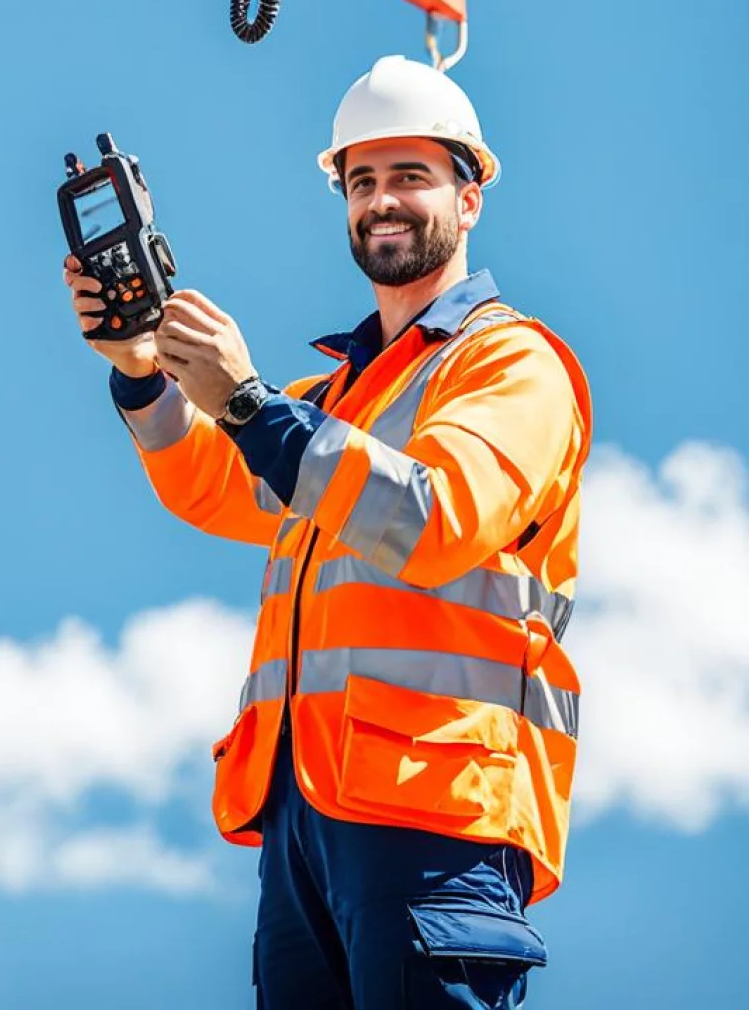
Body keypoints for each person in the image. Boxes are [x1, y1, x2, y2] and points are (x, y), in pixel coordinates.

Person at [64, 55, 591, 1009]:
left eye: (410, 177)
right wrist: (143, 374)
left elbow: (436, 518)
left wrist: (255, 405)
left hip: (436, 816)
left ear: (469, 200)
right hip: (308, 813)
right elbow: (212, 487)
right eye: (362, 183)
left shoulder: (512, 363)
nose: (381, 202)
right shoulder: (338, 396)